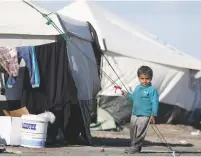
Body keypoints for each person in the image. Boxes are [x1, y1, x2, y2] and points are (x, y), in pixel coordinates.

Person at [124, 65, 159, 154]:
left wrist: (153, 115)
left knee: (140, 132)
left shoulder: (152, 90)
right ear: (139, 78)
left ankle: (135, 147)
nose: (145, 81)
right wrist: (127, 95)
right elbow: (134, 98)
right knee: (132, 131)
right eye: (142, 78)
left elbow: (155, 103)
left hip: (145, 115)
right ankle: (135, 147)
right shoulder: (137, 88)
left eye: (147, 78)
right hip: (134, 114)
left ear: (151, 78)